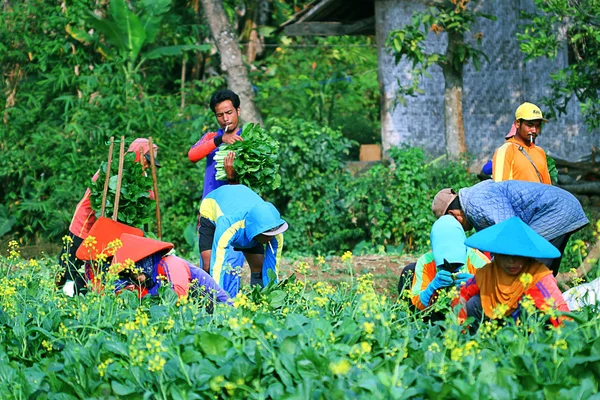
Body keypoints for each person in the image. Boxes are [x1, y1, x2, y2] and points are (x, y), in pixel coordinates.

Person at [57, 138, 160, 292]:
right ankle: (59, 294)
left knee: (94, 267)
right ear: (138, 155)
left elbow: (147, 196)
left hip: (105, 230)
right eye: (147, 160)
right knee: (69, 264)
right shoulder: (115, 170)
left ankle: (78, 294)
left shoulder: (140, 175)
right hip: (86, 223)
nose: (148, 165)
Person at [432, 180, 589, 276]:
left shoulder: (475, 202)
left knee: (531, 270)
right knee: (541, 271)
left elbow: (510, 230)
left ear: (453, 214)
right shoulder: (475, 201)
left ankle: (536, 320)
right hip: (560, 207)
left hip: (555, 210)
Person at [454, 217, 569, 331]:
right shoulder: (489, 271)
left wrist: (569, 335)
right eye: (505, 255)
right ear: (497, 255)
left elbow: (557, 307)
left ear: (526, 255)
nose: (511, 261)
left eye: (517, 256)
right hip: (494, 326)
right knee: (473, 303)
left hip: (527, 331)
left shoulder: (537, 275)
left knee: (527, 307)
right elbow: (463, 293)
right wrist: (461, 327)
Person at [198, 184, 288, 297]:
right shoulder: (229, 224)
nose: (269, 238)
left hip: (251, 222)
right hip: (212, 208)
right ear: (256, 230)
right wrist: (218, 299)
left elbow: (272, 268)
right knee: (208, 264)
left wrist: (272, 296)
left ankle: (259, 301)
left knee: (259, 267)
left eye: (271, 234)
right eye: (266, 235)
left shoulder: (275, 231)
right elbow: (218, 262)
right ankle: (205, 300)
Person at [403, 215, 489, 318]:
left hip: (468, 315)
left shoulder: (478, 261)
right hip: (434, 315)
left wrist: (476, 284)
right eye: (445, 266)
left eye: (456, 265)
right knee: (408, 271)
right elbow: (416, 302)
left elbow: (495, 295)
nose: (451, 269)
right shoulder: (425, 262)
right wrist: (432, 288)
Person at [188, 89, 243, 198]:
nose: (225, 119)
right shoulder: (211, 138)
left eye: (229, 113)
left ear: (238, 111)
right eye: (219, 115)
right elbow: (192, 156)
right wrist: (220, 139)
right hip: (210, 206)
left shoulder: (247, 139)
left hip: (237, 206)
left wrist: (232, 177)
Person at [492, 102, 551, 184]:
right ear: (517, 124)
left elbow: (547, 188)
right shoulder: (506, 151)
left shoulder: (540, 152)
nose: (534, 130)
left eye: (538, 126)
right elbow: (499, 188)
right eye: (530, 125)